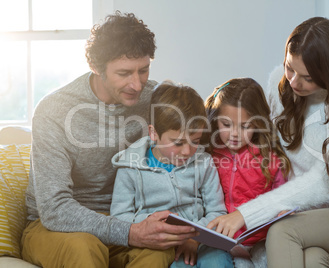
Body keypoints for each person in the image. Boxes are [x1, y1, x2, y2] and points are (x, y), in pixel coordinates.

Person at [207, 17, 329, 267]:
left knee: (282, 232)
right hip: (312, 224)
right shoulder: (279, 86)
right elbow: (262, 138)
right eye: (290, 68)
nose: (294, 82)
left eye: (307, 77)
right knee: (312, 260)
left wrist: (245, 215)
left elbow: (321, 183)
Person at [21, 11, 197, 268]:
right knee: (84, 247)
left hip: (126, 217)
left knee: (159, 251)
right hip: (55, 227)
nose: (136, 84)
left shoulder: (155, 98)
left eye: (144, 70)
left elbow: (195, 132)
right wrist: (130, 232)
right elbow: (55, 208)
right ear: (96, 67)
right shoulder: (54, 110)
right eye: (124, 73)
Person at [110, 80, 234, 268]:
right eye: (178, 143)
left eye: (195, 141)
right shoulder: (130, 167)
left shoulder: (204, 163)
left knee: (217, 261)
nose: (187, 151)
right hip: (157, 242)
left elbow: (217, 211)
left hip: (199, 241)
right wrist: (151, 224)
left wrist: (195, 238)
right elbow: (119, 216)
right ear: (154, 133)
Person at [204, 78, 290, 267]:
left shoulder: (269, 156)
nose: (234, 134)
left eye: (244, 126)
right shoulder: (208, 154)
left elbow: (282, 196)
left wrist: (282, 212)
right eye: (226, 124)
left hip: (261, 240)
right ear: (215, 119)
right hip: (223, 241)